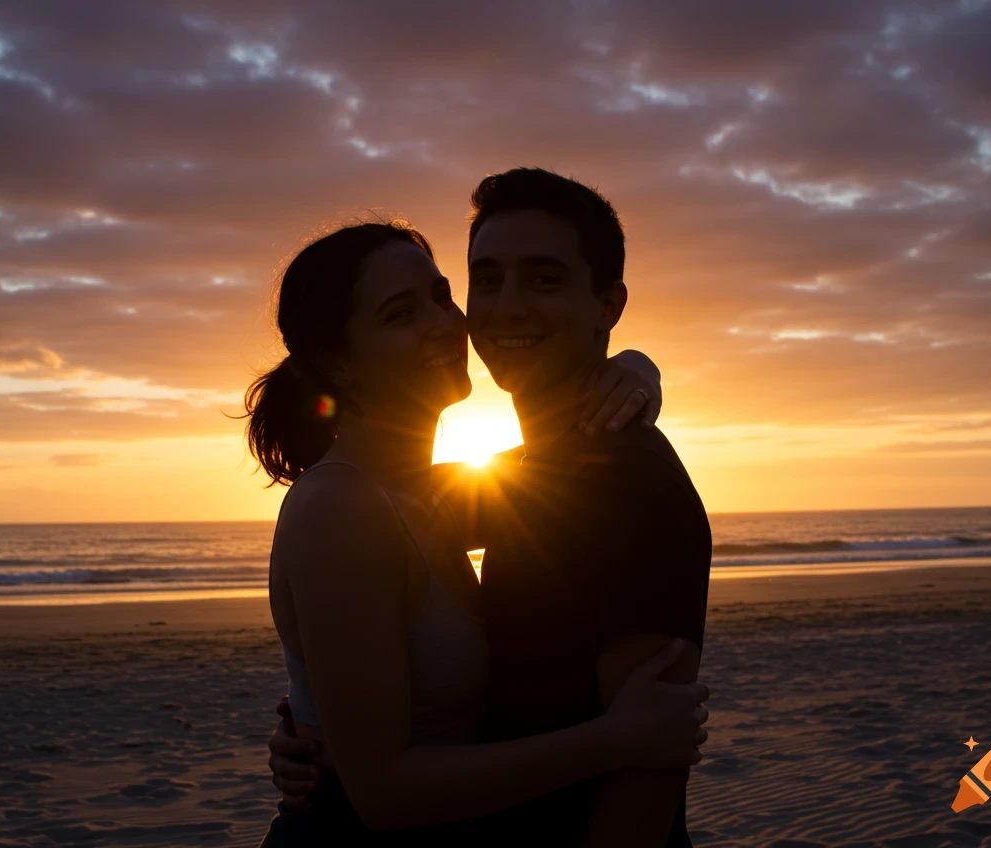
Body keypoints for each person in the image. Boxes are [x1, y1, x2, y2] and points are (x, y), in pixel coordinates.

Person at [268, 170, 714, 846]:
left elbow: (647, 787)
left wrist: (637, 369)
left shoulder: (474, 492)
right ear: (340, 363)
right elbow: (382, 783)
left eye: (441, 297)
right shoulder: (357, 505)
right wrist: (614, 739)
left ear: (608, 303)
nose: (448, 325)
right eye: (401, 313)